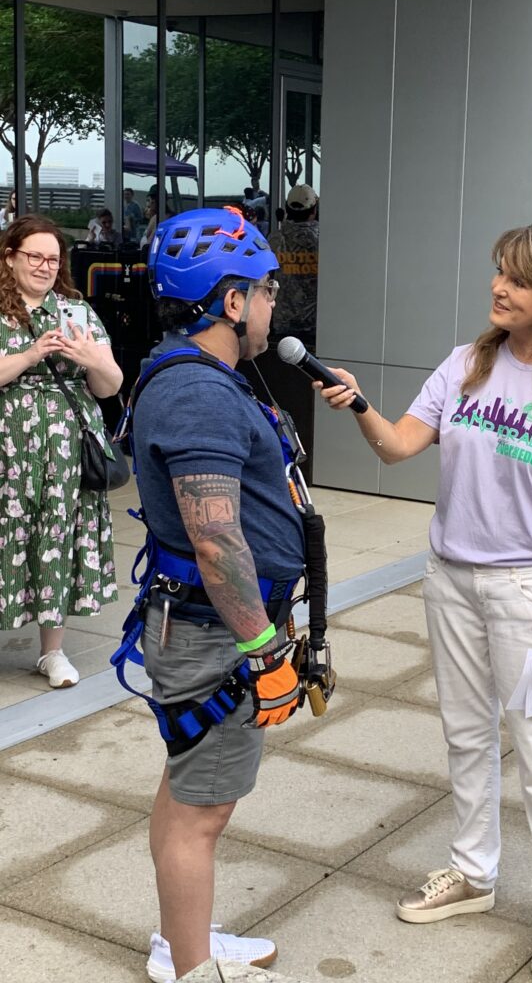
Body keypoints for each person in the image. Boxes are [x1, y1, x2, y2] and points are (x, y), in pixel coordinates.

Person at [315, 223, 532, 979]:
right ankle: (474, 875)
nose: (499, 288)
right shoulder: (465, 365)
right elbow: (397, 446)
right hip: (450, 578)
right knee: (465, 734)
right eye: (498, 274)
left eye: (517, 280)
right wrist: (359, 405)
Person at [133, 207, 304, 981]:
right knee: (203, 813)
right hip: (214, 635)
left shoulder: (195, 377)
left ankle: (182, 941)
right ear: (231, 302)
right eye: (266, 290)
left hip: (204, 628)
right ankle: (191, 968)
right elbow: (215, 538)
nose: (274, 305)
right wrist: (262, 647)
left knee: (187, 790)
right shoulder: (199, 394)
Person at [0, 214, 122, 686]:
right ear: (9, 257)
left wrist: (94, 361)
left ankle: (52, 653)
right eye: (35, 256)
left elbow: (110, 386)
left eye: (53, 259)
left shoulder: (76, 311)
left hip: (65, 452)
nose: (45, 266)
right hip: (9, 447)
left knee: (56, 537)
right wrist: (31, 355)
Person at [267, 183, 319, 340]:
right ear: (314, 210)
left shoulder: (275, 239)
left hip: (283, 324)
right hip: (317, 325)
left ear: (287, 210)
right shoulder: (325, 240)